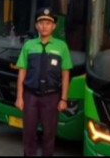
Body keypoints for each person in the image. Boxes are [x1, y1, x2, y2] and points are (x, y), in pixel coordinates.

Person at [15, 8, 72, 157]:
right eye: (41, 22)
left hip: (51, 97)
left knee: (49, 135)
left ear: (53, 26)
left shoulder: (62, 47)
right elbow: (22, 71)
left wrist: (63, 99)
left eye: (48, 23)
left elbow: (65, 74)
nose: (44, 26)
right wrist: (19, 97)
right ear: (36, 26)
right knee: (28, 133)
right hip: (30, 96)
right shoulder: (29, 46)